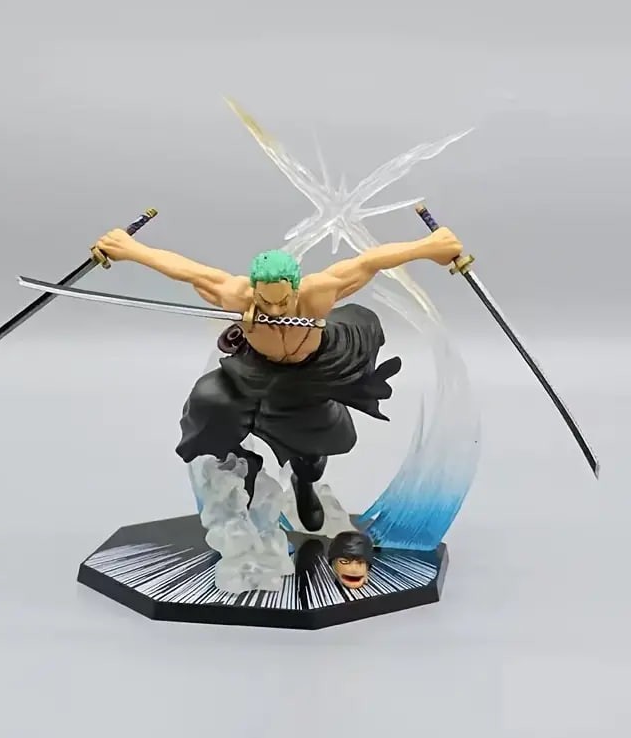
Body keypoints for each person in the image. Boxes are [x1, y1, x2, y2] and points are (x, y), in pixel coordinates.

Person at [92, 224, 463, 531]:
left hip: (313, 371)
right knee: (210, 404)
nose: (273, 309)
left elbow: (371, 261)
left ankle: (305, 483)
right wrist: (129, 248)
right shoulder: (238, 296)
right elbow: (186, 270)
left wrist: (430, 246)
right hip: (258, 370)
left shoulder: (318, 292)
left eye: (282, 302)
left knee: (316, 443)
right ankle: (242, 469)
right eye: (265, 301)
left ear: (296, 288)